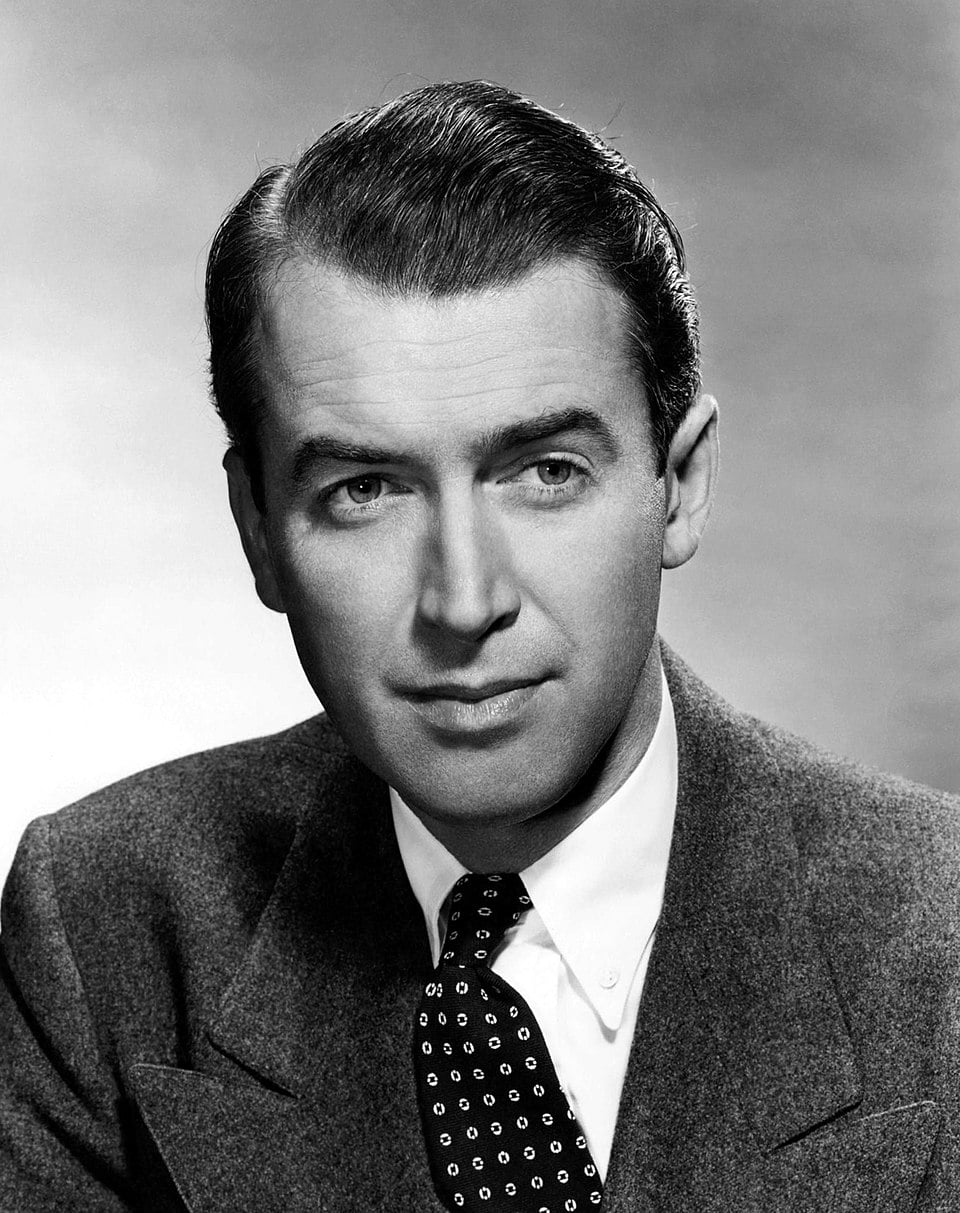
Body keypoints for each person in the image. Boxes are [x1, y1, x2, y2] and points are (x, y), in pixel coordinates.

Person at [1, 80, 958, 1213]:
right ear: (258, 530)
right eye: (367, 489)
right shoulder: (105, 922)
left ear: (681, 484)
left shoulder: (937, 942)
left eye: (546, 473)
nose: (464, 598)